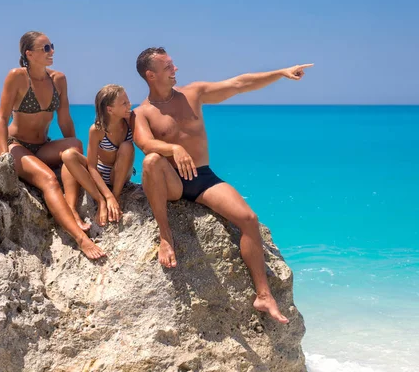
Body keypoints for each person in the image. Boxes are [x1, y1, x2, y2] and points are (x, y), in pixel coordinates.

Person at [133, 47, 313, 323]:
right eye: (168, 66)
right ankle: (166, 237)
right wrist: (172, 148)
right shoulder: (142, 113)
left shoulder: (194, 93)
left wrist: (280, 73)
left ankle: (264, 296)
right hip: (171, 182)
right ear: (151, 75)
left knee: (248, 218)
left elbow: (239, 84)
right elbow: (144, 144)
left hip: (203, 177)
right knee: (151, 161)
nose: (175, 69)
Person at [0, 31, 106, 260]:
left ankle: (72, 209)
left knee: (74, 144)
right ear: (29, 54)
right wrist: (4, 155)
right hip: (17, 146)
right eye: (45, 48)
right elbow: (2, 119)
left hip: (42, 145)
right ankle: (81, 239)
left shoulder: (58, 79)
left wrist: (74, 157)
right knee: (48, 180)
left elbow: (64, 120)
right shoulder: (17, 77)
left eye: (51, 46)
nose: (51, 51)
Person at [61, 84, 135, 226]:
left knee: (127, 146)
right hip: (100, 174)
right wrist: (104, 198)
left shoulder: (130, 121)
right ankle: (101, 201)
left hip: (119, 175)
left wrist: (113, 197)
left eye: (128, 101)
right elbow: (92, 166)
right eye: (124, 103)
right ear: (110, 109)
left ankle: (116, 196)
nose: (129, 105)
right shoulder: (97, 130)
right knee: (68, 155)